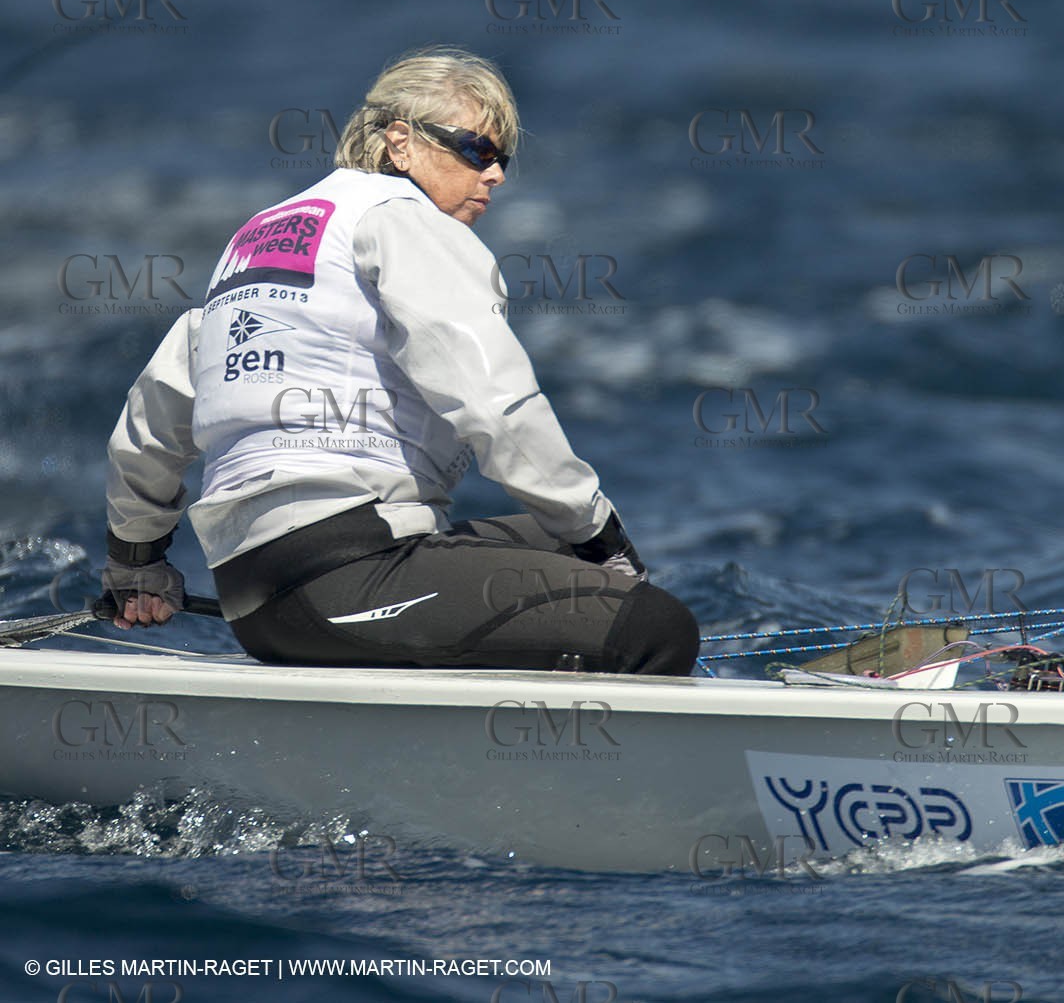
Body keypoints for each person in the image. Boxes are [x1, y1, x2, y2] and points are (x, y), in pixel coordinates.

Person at [99, 46, 700, 675]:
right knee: (653, 626)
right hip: (350, 577)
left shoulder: (258, 239)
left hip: (254, 596)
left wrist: (136, 565)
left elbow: (149, 422)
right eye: (477, 150)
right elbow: (495, 406)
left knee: (560, 554)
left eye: (503, 159)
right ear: (400, 143)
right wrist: (600, 535)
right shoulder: (403, 221)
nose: (495, 174)